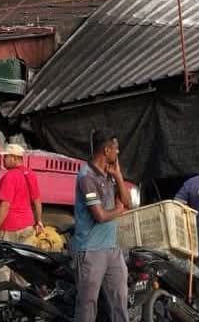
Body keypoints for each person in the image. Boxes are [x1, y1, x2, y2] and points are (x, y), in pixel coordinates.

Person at [72, 130, 133, 322]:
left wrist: (119, 176)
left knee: (120, 302)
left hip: (112, 249)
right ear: (106, 150)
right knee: (88, 305)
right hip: (91, 251)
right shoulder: (87, 177)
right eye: (116, 148)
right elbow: (99, 215)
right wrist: (118, 211)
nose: (118, 152)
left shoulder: (108, 175)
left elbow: (127, 202)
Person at [0, 143, 44, 244]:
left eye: (6, 156)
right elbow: (37, 201)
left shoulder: (9, 176)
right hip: (28, 226)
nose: (3, 159)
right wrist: (38, 221)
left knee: (7, 259)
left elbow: (5, 205)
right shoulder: (31, 174)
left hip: (10, 228)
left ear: (14, 158)